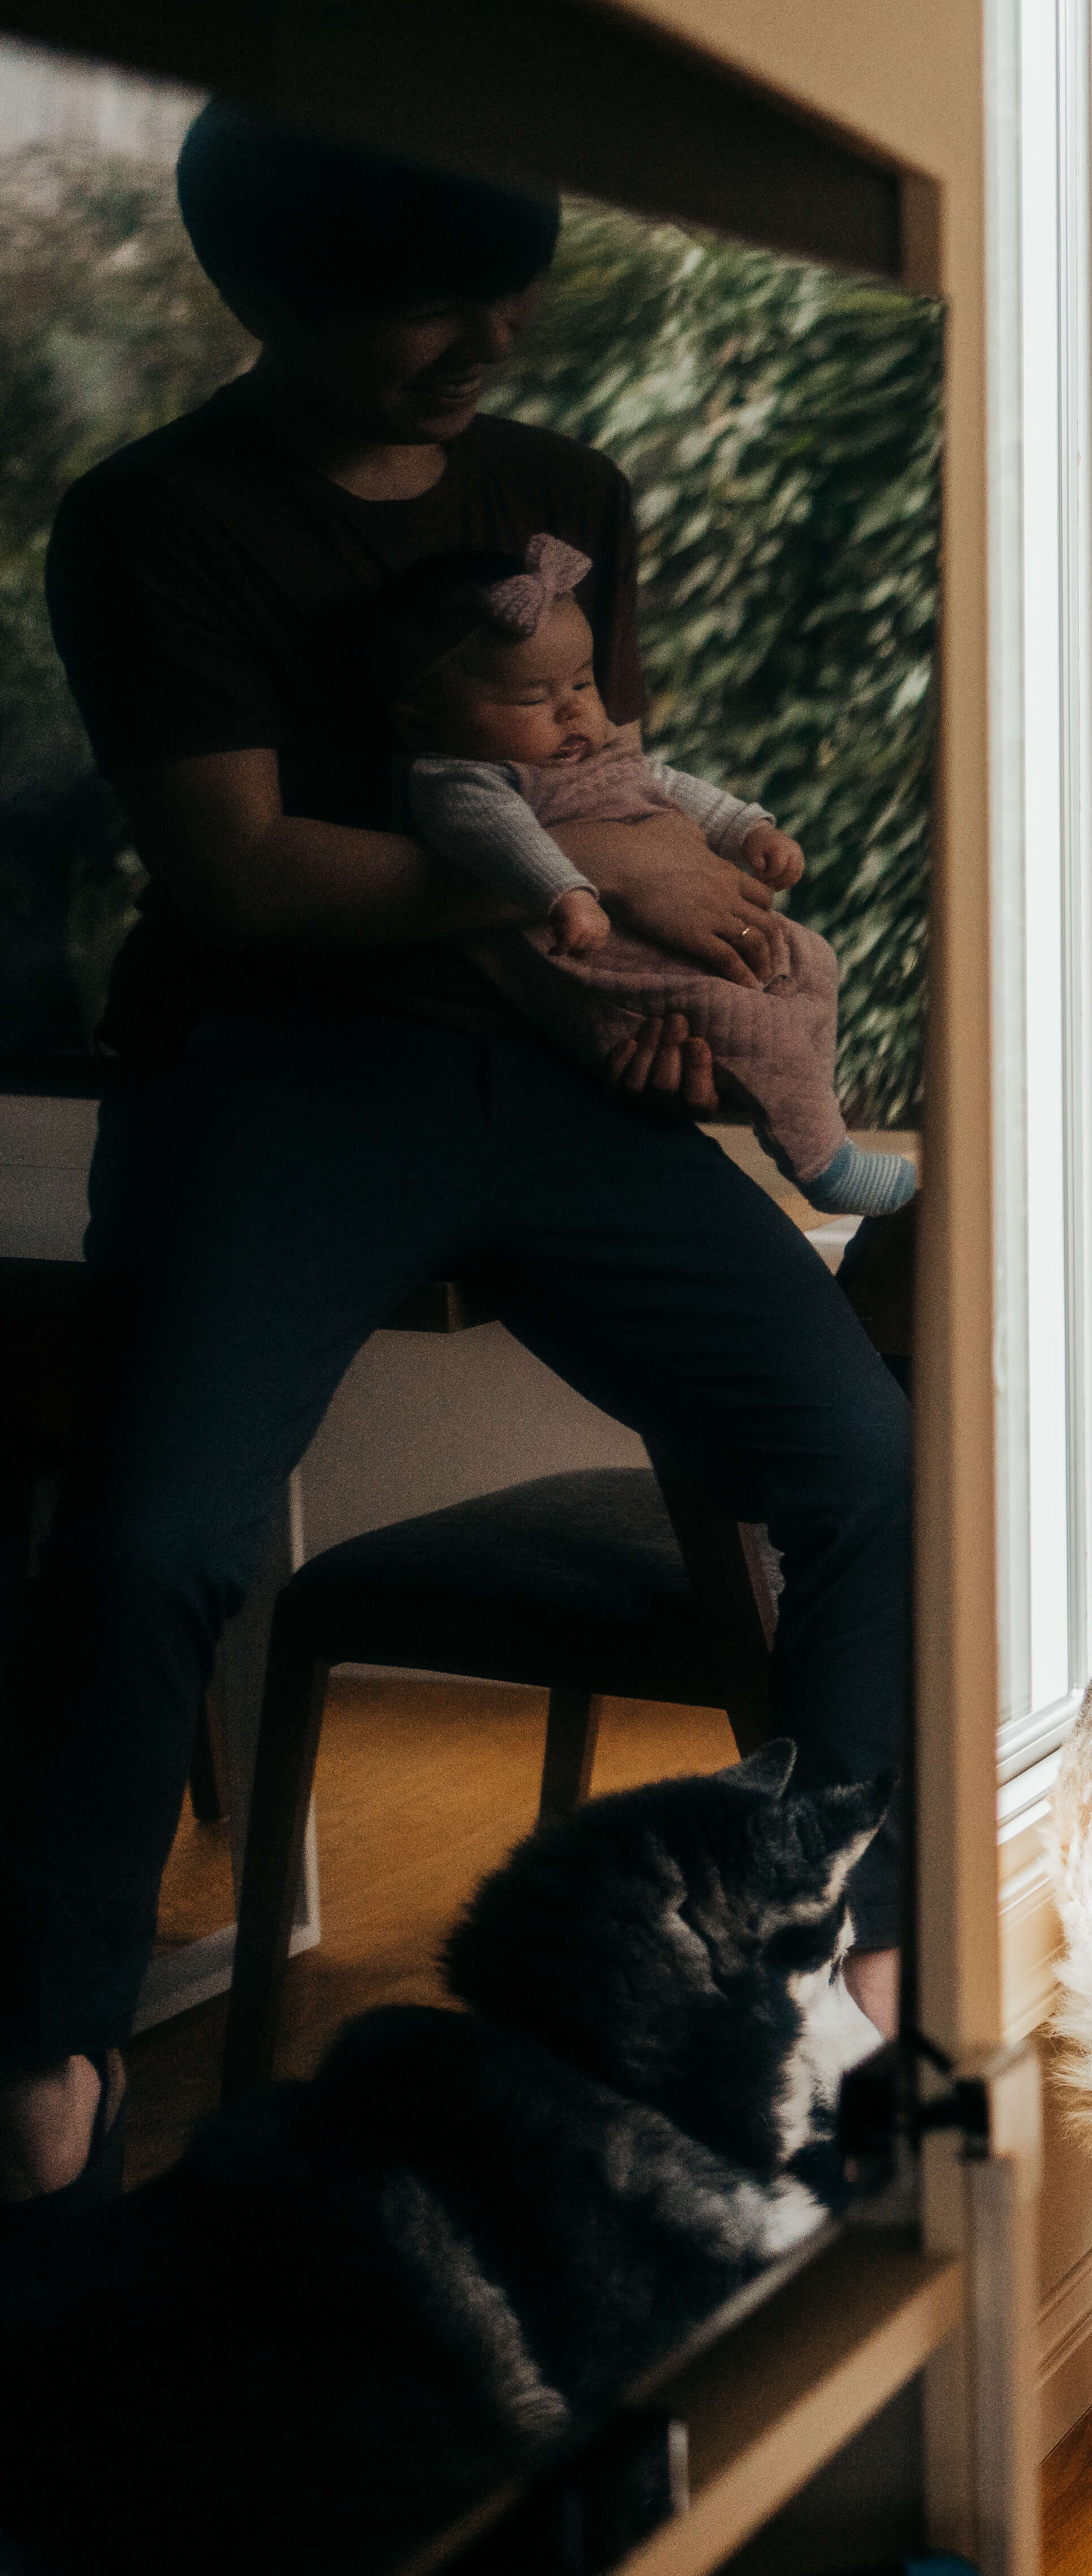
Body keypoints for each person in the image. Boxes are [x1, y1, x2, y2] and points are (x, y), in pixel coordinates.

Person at [0, 106, 915, 2206]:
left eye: (514, 289)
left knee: (863, 1475)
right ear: (274, 291)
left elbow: (605, 782)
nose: (493, 336)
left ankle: (831, 1962)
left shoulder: (555, 495)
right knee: (146, 1552)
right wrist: (570, 911)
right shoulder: (157, 519)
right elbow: (238, 869)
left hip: (549, 1073)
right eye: (441, 303)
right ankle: (48, 2057)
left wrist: (666, 998)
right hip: (275, 1077)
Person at [378, 533, 920, 1218]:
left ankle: (808, 1109)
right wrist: (566, 892)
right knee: (757, 1026)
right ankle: (823, 1164)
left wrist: (749, 828)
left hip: (680, 950)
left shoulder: (586, 755)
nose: (573, 709)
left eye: (580, 682)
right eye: (530, 699)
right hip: (620, 984)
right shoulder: (462, 781)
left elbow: (669, 786)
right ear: (422, 723)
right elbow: (506, 845)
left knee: (814, 958)